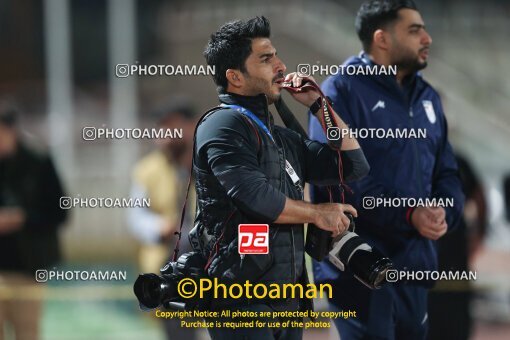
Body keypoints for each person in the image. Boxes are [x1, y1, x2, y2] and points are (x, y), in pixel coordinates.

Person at [196, 16, 370, 340]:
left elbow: (352, 165)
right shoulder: (221, 126)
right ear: (234, 76)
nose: (280, 65)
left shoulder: (279, 135)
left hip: (287, 297)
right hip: (241, 299)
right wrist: (319, 213)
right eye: (266, 58)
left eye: (276, 55)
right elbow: (258, 198)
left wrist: (320, 105)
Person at [308, 1, 465, 339]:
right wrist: (408, 213)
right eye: (414, 30)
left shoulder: (428, 97)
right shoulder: (340, 91)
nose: (427, 38)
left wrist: (443, 212)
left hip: (414, 266)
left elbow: (447, 172)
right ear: (382, 38)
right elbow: (340, 180)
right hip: (359, 270)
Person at [127, 98, 199, 339]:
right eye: (161, 128)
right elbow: (135, 217)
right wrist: (159, 227)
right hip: (167, 264)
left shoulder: (211, 161)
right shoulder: (146, 170)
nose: (165, 135)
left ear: (191, 127)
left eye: (172, 127)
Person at [0, 101, 68, 340]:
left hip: (28, 268)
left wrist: (22, 219)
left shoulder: (38, 161)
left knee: (27, 332)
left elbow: (60, 213)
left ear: (11, 130)